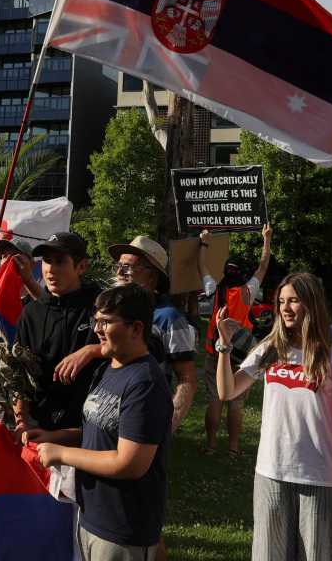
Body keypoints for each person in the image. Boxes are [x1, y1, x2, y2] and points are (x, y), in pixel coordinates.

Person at [215, 272, 332, 560]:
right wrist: (224, 346)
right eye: (281, 301)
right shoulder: (270, 350)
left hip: (319, 476)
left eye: (294, 301)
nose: (285, 308)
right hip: (271, 472)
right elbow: (228, 391)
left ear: (311, 305)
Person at [32, 284, 172, 560]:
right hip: (92, 516)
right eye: (96, 320)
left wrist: (61, 454)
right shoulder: (109, 368)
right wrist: (53, 437)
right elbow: (97, 430)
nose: (97, 329)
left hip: (124, 526)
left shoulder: (145, 383)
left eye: (106, 322)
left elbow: (129, 463)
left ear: (136, 328)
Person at [15, 232, 102, 434]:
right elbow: (20, 373)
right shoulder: (31, 312)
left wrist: (92, 350)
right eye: (46, 261)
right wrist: (22, 420)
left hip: (90, 426)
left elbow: (134, 350)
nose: (51, 269)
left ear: (82, 267)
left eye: (60, 261)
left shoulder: (101, 305)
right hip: (40, 426)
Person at [109, 235, 197, 434]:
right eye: (119, 266)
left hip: (143, 421)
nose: (120, 272)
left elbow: (187, 379)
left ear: (152, 276)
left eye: (129, 267)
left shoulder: (169, 318)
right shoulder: (109, 312)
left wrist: (169, 424)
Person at [198, 224, 271, 457]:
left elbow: (201, 265)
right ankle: (234, 448)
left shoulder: (214, 289)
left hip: (215, 351)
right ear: (241, 273)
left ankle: (210, 446)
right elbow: (263, 266)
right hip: (241, 355)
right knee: (236, 403)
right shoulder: (247, 292)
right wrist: (266, 239)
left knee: (214, 399)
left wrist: (204, 243)